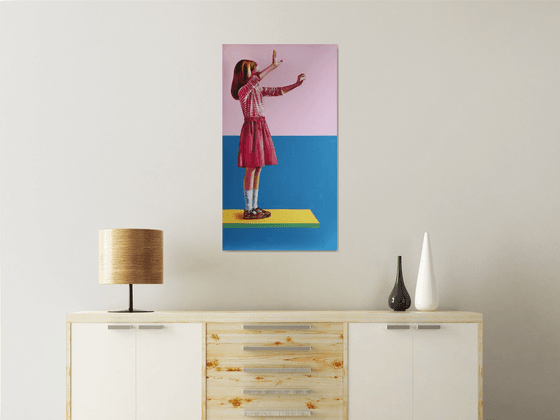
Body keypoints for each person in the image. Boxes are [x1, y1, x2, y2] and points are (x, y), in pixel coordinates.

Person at [230, 50, 305, 219]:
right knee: (251, 168)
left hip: (261, 127)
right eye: (252, 69)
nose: (255, 73)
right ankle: (248, 208)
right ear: (243, 74)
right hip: (251, 129)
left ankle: (254, 206)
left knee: (258, 168)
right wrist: (273, 66)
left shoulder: (256, 89)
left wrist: (296, 84)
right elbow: (256, 80)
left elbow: (277, 91)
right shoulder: (244, 91)